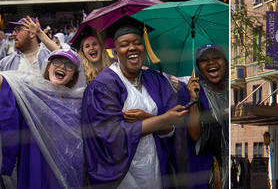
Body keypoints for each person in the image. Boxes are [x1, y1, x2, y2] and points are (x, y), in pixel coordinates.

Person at [81, 16, 189, 188]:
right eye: (124, 45)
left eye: (138, 43)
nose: (132, 48)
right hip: (122, 175)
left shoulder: (156, 80)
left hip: (156, 166)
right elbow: (110, 135)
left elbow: (175, 125)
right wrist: (162, 120)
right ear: (115, 52)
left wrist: (147, 118)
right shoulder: (103, 86)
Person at [0, 49, 87, 189]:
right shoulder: (31, 95)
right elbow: (8, 93)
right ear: (48, 67)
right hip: (36, 170)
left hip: (66, 176)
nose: (62, 67)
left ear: (73, 77)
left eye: (69, 65)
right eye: (57, 62)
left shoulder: (78, 103)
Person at [178, 44, 229, 189]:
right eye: (204, 60)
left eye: (216, 57)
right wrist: (193, 100)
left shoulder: (230, 91)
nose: (211, 62)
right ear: (198, 67)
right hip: (204, 169)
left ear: (225, 62)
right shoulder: (187, 92)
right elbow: (195, 136)